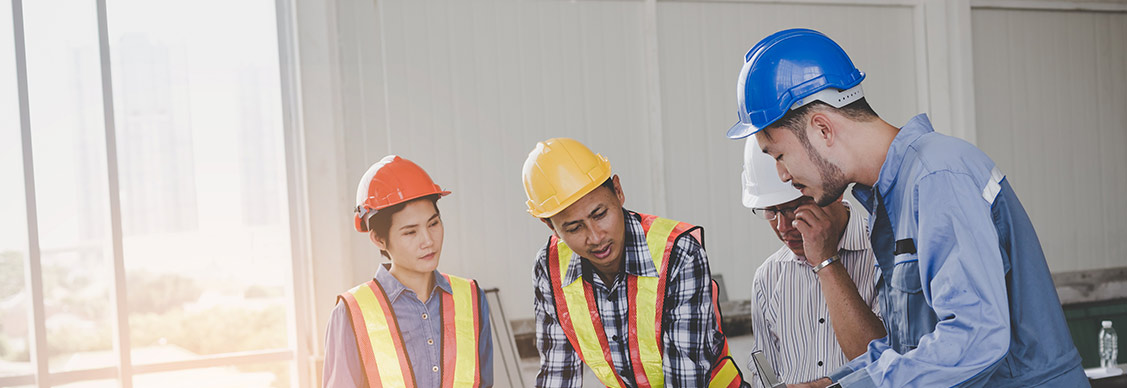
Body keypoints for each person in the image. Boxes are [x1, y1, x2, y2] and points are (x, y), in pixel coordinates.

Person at [727, 28, 1088, 388]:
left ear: (822, 129)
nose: (783, 174)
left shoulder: (938, 176)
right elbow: (908, 349)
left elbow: (976, 336)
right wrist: (830, 385)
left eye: (779, 155)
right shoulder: (892, 198)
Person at [522, 137, 746, 387]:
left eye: (600, 214)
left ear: (618, 191)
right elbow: (557, 372)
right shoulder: (550, 268)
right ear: (550, 227)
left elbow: (687, 378)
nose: (595, 237)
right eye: (574, 228)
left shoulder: (678, 254)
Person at [323, 155, 493, 388]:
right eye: (410, 232)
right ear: (379, 239)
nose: (428, 241)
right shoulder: (351, 313)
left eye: (433, 224)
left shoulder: (472, 298)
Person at [741, 136, 885, 387]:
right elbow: (768, 376)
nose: (783, 226)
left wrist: (826, 261)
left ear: (834, 193)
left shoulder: (883, 256)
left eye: (795, 208)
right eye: (771, 211)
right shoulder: (769, 277)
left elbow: (882, 363)